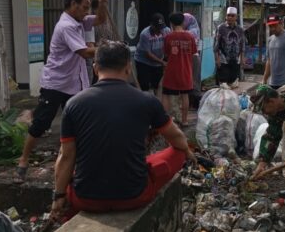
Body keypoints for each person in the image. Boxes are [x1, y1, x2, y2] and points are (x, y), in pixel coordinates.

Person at [50, 41, 196, 216]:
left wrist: (58, 196)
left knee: (73, 168)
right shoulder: (147, 101)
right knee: (179, 151)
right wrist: (188, 152)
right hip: (135, 196)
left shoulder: (73, 104)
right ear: (128, 68)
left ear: (96, 69)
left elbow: (66, 156)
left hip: (86, 199)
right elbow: (176, 137)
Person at [15, 0, 109, 182]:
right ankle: (23, 160)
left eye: (88, 8)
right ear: (73, 4)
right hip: (55, 84)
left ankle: (70, 161)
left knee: (77, 123)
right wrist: (109, 49)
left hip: (74, 83)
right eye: (84, 7)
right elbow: (84, 52)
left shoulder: (80, 21)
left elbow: (100, 20)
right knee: (41, 124)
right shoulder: (65, 26)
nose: (86, 12)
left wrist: (103, 3)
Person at [162, 13, 198, 126]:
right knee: (185, 95)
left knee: (166, 95)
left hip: (171, 71)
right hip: (186, 71)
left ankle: (166, 121)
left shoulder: (168, 37)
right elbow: (193, 52)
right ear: (183, 23)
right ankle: (184, 120)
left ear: (171, 24)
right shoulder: (190, 37)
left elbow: (166, 53)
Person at [134, 13, 171, 97]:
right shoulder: (145, 34)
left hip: (158, 61)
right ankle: (144, 102)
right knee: (144, 84)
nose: (159, 30)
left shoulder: (167, 31)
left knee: (157, 84)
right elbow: (148, 54)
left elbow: (169, 46)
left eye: (161, 28)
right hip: (143, 61)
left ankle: (156, 102)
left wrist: (167, 59)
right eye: (157, 28)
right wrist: (162, 62)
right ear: (152, 25)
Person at [214, 6, 245, 85]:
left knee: (233, 83)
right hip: (223, 60)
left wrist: (242, 58)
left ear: (236, 17)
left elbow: (242, 45)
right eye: (228, 15)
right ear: (226, 16)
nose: (230, 17)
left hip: (235, 60)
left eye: (232, 15)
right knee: (223, 84)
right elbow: (216, 45)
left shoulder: (240, 30)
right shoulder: (221, 28)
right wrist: (217, 59)